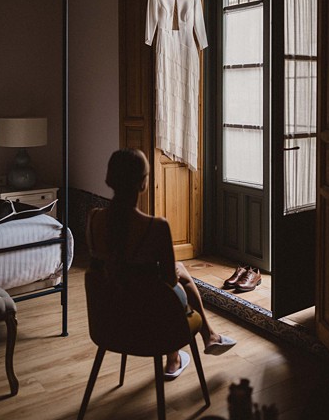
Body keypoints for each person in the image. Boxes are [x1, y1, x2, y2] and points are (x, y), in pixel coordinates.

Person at [87, 149, 236, 379]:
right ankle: (186, 350)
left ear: (109, 179)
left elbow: (101, 269)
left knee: (171, 276)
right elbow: (169, 282)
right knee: (174, 280)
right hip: (151, 325)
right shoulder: (156, 227)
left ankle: (193, 347)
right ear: (143, 183)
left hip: (110, 321)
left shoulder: (93, 219)